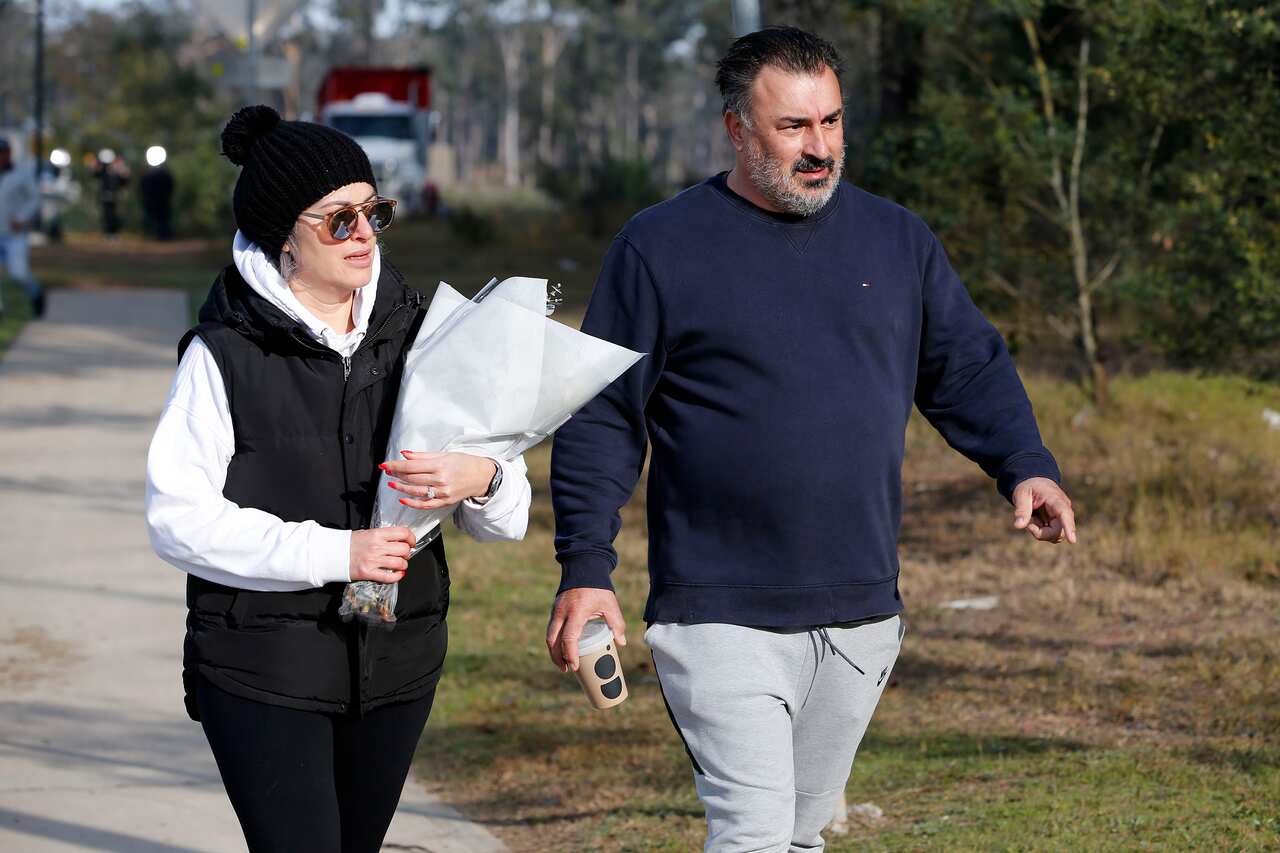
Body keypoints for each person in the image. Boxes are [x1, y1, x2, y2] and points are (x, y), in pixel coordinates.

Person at [546, 26, 1077, 853]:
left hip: (863, 610)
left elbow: (966, 366)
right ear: (736, 129)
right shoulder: (659, 246)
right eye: (794, 127)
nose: (820, 147)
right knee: (754, 831)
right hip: (718, 612)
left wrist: (1025, 465)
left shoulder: (897, 240)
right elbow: (603, 416)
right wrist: (586, 567)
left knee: (800, 832)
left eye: (830, 122)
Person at [145, 105, 531, 852]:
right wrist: (338, 553)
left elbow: (507, 516)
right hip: (263, 667)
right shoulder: (222, 356)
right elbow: (177, 518)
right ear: (280, 235)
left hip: (399, 665)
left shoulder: (422, 332)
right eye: (338, 220)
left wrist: (481, 476)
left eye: (373, 212)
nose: (364, 235)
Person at [0, 138, 46, 318]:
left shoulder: (21, 172)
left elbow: (34, 199)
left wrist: (21, 217)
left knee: (18, 275)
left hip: (14, 234)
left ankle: (36, 294)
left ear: (9, 154)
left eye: (3, 153)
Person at [139, 159, 175, 241]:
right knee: (153, 217)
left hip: (163, 200)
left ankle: (164, 235)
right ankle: (152, 234)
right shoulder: (147, 175)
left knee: (163, 217)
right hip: (153, 200)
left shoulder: (165, 174)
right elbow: (143, 187)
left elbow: (171, 185)